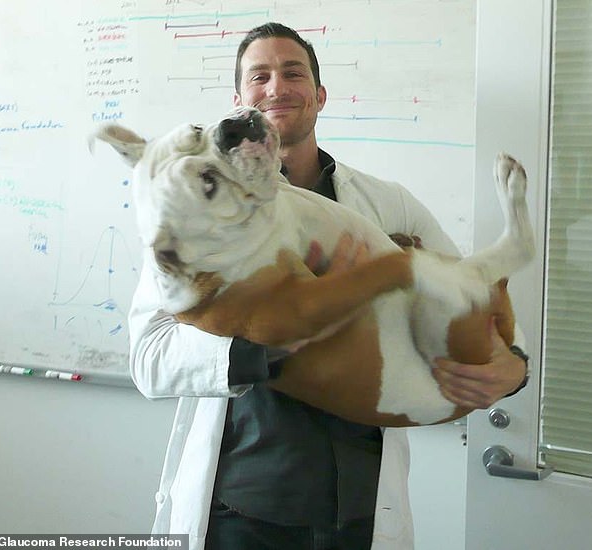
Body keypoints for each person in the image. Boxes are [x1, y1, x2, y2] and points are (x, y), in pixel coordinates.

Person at [129, 22, 528, 550]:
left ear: (319, 95)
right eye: (260, 76)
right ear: (239, 98)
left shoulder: (389, 203)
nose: (276, 87)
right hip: (245, 504)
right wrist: (266, 344)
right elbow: (149, 359)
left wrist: (514, 367)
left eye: (293, 73)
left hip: (359, 508)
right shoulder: (189, 221)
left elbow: (470, 293)